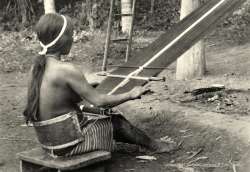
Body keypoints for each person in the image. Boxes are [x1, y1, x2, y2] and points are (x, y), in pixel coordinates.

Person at [23, 13, 176, 157]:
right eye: (70, 34)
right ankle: (154, 146)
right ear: (61, 39)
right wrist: (131, 94)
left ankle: (146, 144)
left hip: (48, 142)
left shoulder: (36, 68)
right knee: (114, 121)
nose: (73, 38)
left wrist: (88, 87)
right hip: (68, 145)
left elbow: (58, 99)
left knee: (89, 110)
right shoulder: (66, 69)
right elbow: (100, 102)